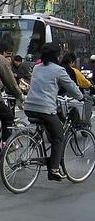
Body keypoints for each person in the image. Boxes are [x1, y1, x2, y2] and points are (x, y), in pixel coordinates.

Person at [24, 43, 84, 181]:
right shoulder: (59, 70)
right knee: (59, 137)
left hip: (29, 107)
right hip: (45, 109)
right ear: (56, 55)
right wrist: (81, 96)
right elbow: (71, 87)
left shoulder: (37, 68)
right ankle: (54, 169)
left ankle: (48, 158)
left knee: (51, 129)